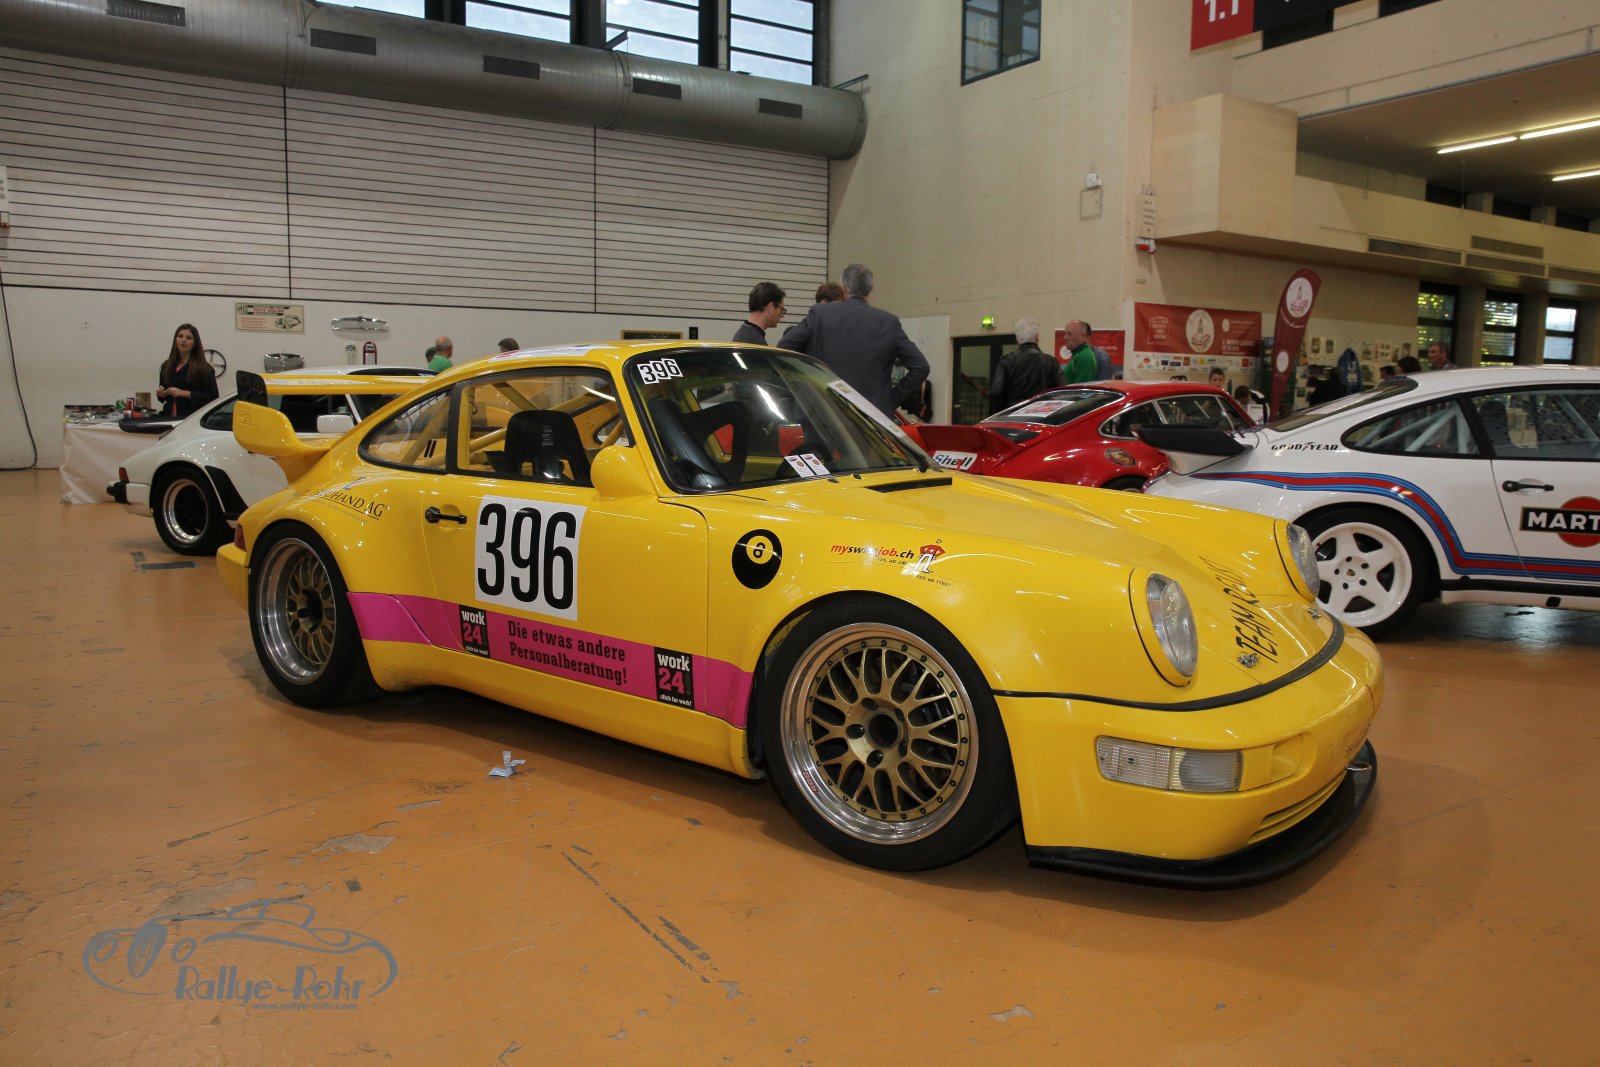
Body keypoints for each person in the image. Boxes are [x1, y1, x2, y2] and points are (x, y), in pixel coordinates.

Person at [777, 263, 929, 419]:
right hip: (873, 418)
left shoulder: (820, 314)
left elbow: (784, 347)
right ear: (871, 288)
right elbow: (921, 367)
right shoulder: (888, 322)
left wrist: (809, 385)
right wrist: (890, 400)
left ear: (844, 288)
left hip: (826, 414)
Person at [989, 318, 1059, 413]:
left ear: (1017, 339)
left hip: (1013, 415)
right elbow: (1062, 392)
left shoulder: (1006, 362)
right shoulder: (1051, 362)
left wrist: (997, 416)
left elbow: (996, 393)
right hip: (1043, 416)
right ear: (1037, 338)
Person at [156, 322, 219, 418]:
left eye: (188, 338)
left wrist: (186, 393)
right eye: (180, 336)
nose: (183, 340)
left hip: (192, 419)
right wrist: (161, 394)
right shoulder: (166, 366)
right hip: (169, 418)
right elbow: (163, 397)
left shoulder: (204, 368)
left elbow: (213, 397)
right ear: (175, 340)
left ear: (195, 343)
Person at [1058, 320, 1097, 384]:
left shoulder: (1084, 356)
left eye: (1070, 334)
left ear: (1083, 335)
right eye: (1065, 334)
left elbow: (1081, 388)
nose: (1065, 337)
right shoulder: (1078, 354)